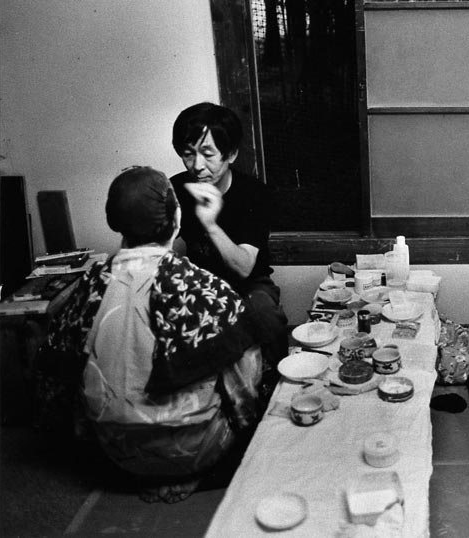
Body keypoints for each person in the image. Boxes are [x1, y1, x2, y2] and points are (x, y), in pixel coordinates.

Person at [40, 167, 267, 503]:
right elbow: (245, 388)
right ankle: (197, 475)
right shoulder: (202, 285)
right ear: (177, 219)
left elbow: (56, 376)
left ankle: (139, 475)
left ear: (114, 222)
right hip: (198, 450)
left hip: (118, 452)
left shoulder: (88, 287)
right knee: (260, 384)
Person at [169, 102, 288, 374]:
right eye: (188, 154)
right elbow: (168, 251)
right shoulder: (174, 188)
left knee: (263, 311)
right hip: (197, 282)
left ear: (231, 153)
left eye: (208, 154)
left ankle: (279, 380)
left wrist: (210, 224)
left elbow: (244, 266)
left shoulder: (253, 193)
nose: (197, 166)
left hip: (249, 285)